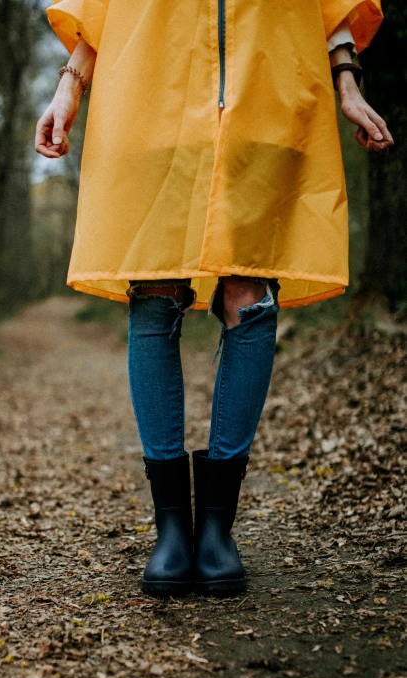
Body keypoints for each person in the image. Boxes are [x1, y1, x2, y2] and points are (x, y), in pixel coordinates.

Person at [36, 1, 393, 598]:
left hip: (271, 88)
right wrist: (70, 85)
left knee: (251, 292)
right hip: (151, 91)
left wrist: (346, 79)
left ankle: (217, 528)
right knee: (153, 287)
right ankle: (172, 526)